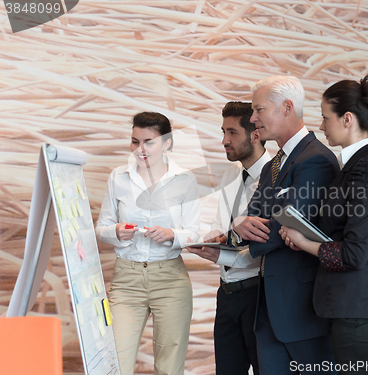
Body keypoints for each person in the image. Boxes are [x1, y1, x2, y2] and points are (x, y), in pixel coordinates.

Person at [279, 75, 368, 375]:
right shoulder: (356, 167)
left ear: (347, 119)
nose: (320, 126)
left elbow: (354, 254)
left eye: (324, 117)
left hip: (361, 307)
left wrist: (304, 241)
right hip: (353, 306)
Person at [233, 76, 340, 374]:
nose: (253, 119)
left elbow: (289, 223)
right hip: (267, 308)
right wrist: (239, 224)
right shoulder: (271, 165)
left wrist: (248, 227)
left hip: (301, 310)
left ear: (287, 108)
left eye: (259, 110)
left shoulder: (317, 160)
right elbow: (250, 217)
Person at [95, 112, 200, 375]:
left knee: (169, 365)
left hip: (170, 279)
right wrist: (116, 231)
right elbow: (100, 229)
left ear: (167, 143)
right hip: (127, 279)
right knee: (115, 362)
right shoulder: (118, 177)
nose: (140, 149)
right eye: (134, 141)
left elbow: (194, 233)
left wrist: (171, 235)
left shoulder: (185, 179)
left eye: (148, 142)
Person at [186, 101, 271, 375]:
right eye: (223, 131)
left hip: (259, 296)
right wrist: (210, 239)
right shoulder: (232, 173)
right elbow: (219, 226)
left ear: (255, 134)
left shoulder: (275, 179)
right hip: (226, 294)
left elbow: (266, 250)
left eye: (232, 132)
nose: (224, 140)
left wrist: (219, 253)